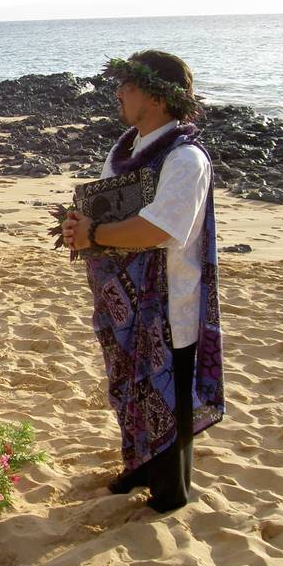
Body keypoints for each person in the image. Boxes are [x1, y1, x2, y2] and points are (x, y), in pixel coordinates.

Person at [61, 50, 224, 514]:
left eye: (127, 87)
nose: (118, 94)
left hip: (171, 302)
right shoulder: (126, 149)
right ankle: (137, 468)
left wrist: (95, 232)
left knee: (169, 398)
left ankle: (170, 496)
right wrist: (78, 226)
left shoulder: (185, 159)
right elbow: (108, 208)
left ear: (155, 97)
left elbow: (159, 229)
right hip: (125, 304)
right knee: (131, 386)